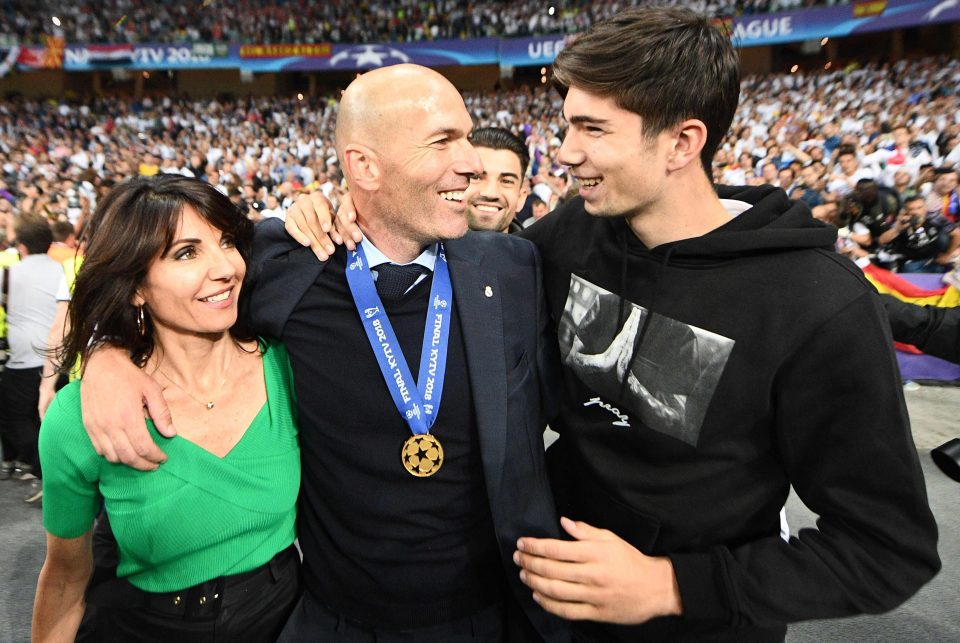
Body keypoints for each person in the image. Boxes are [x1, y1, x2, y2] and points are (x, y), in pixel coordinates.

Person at [78, 66, 565, 642]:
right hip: (338, 619)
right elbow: (158, 293)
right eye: (443, 141)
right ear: (363, 166)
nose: (473, 162)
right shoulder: (283, 265)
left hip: (496, 617)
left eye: (468, 135)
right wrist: (104, 356)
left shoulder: (511, 267)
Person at [511, 8, 939, 642]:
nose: (566, 152)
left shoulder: (816, 302)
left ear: (683, 143)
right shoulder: (574, 231)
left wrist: (670, 585)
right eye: (568, 124)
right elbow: (472, 270)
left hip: (700, 624)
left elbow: (888, 547)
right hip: (546, 600)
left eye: (592, 128)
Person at [32, 175, 301, 642]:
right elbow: (64, 579)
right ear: (135, 285)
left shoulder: (291, 369)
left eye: (226, 242)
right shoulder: (78, 418)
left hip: (281, 619)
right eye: (187, 253)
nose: (225, 268)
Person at [0, 218, 62, 502]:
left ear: (21, 247)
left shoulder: (10, 274)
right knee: (50, 421)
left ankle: (51, 476)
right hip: (58, 357)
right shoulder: (61, 269)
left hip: (25, 360)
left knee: (15, 418)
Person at [465, 127, 531, 234]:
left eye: (506, 181)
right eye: (476, 177)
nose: (490, 193)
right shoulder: (429, 247)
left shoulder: (540, 251)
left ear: (520, 198)